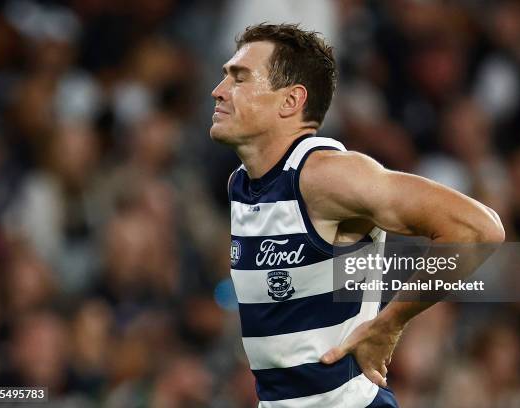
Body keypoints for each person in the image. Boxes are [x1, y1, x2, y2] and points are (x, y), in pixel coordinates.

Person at [210, 23, 505, 408]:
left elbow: (478, 230)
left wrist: (390, 323)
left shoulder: (326, 176)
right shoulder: (242, 184)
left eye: (240, 78)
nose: (218, 90)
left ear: (290, 101)